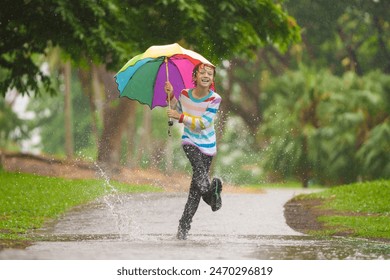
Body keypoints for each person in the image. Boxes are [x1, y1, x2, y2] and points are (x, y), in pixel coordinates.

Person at [164, 63, 223, 240]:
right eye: (202, 72)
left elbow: (203, 123)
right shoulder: (184, 94)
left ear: (212, 79)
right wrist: (172, 95)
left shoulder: (215, 99)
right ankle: (212, 196)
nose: (206, 75)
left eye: (210, 73)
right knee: (200, 174)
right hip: (189, 141)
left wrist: (180, 117)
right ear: (195, 76)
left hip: (208, 145)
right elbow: (179, 108)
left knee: (195, 190)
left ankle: (184, 227)